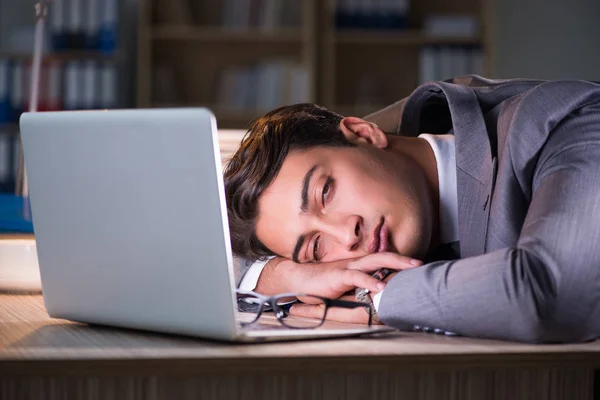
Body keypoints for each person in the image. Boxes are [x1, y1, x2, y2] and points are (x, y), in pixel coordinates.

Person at [224, 75, 600, 343]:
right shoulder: (386, 181)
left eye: (326, 192)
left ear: (364, 134)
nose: (346, 235)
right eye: (315, 247)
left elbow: (554, 293)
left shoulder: (562, 120)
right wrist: (286, 276)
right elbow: (218, 251)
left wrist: (377, 296)